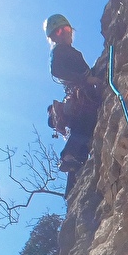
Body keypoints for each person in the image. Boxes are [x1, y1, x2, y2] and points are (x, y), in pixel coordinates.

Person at [44, 14, 102, 187]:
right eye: (59, 31)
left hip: (84, 95)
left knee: (86, 128)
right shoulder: (59, 51)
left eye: (67, 29)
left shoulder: (73, 52)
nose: (64, 33)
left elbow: (86, 72)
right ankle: (68, 156)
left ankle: (74, 177)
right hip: (80, 96)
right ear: (53, 37)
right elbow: (57, 71)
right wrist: (86, 79)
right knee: (83, 123)